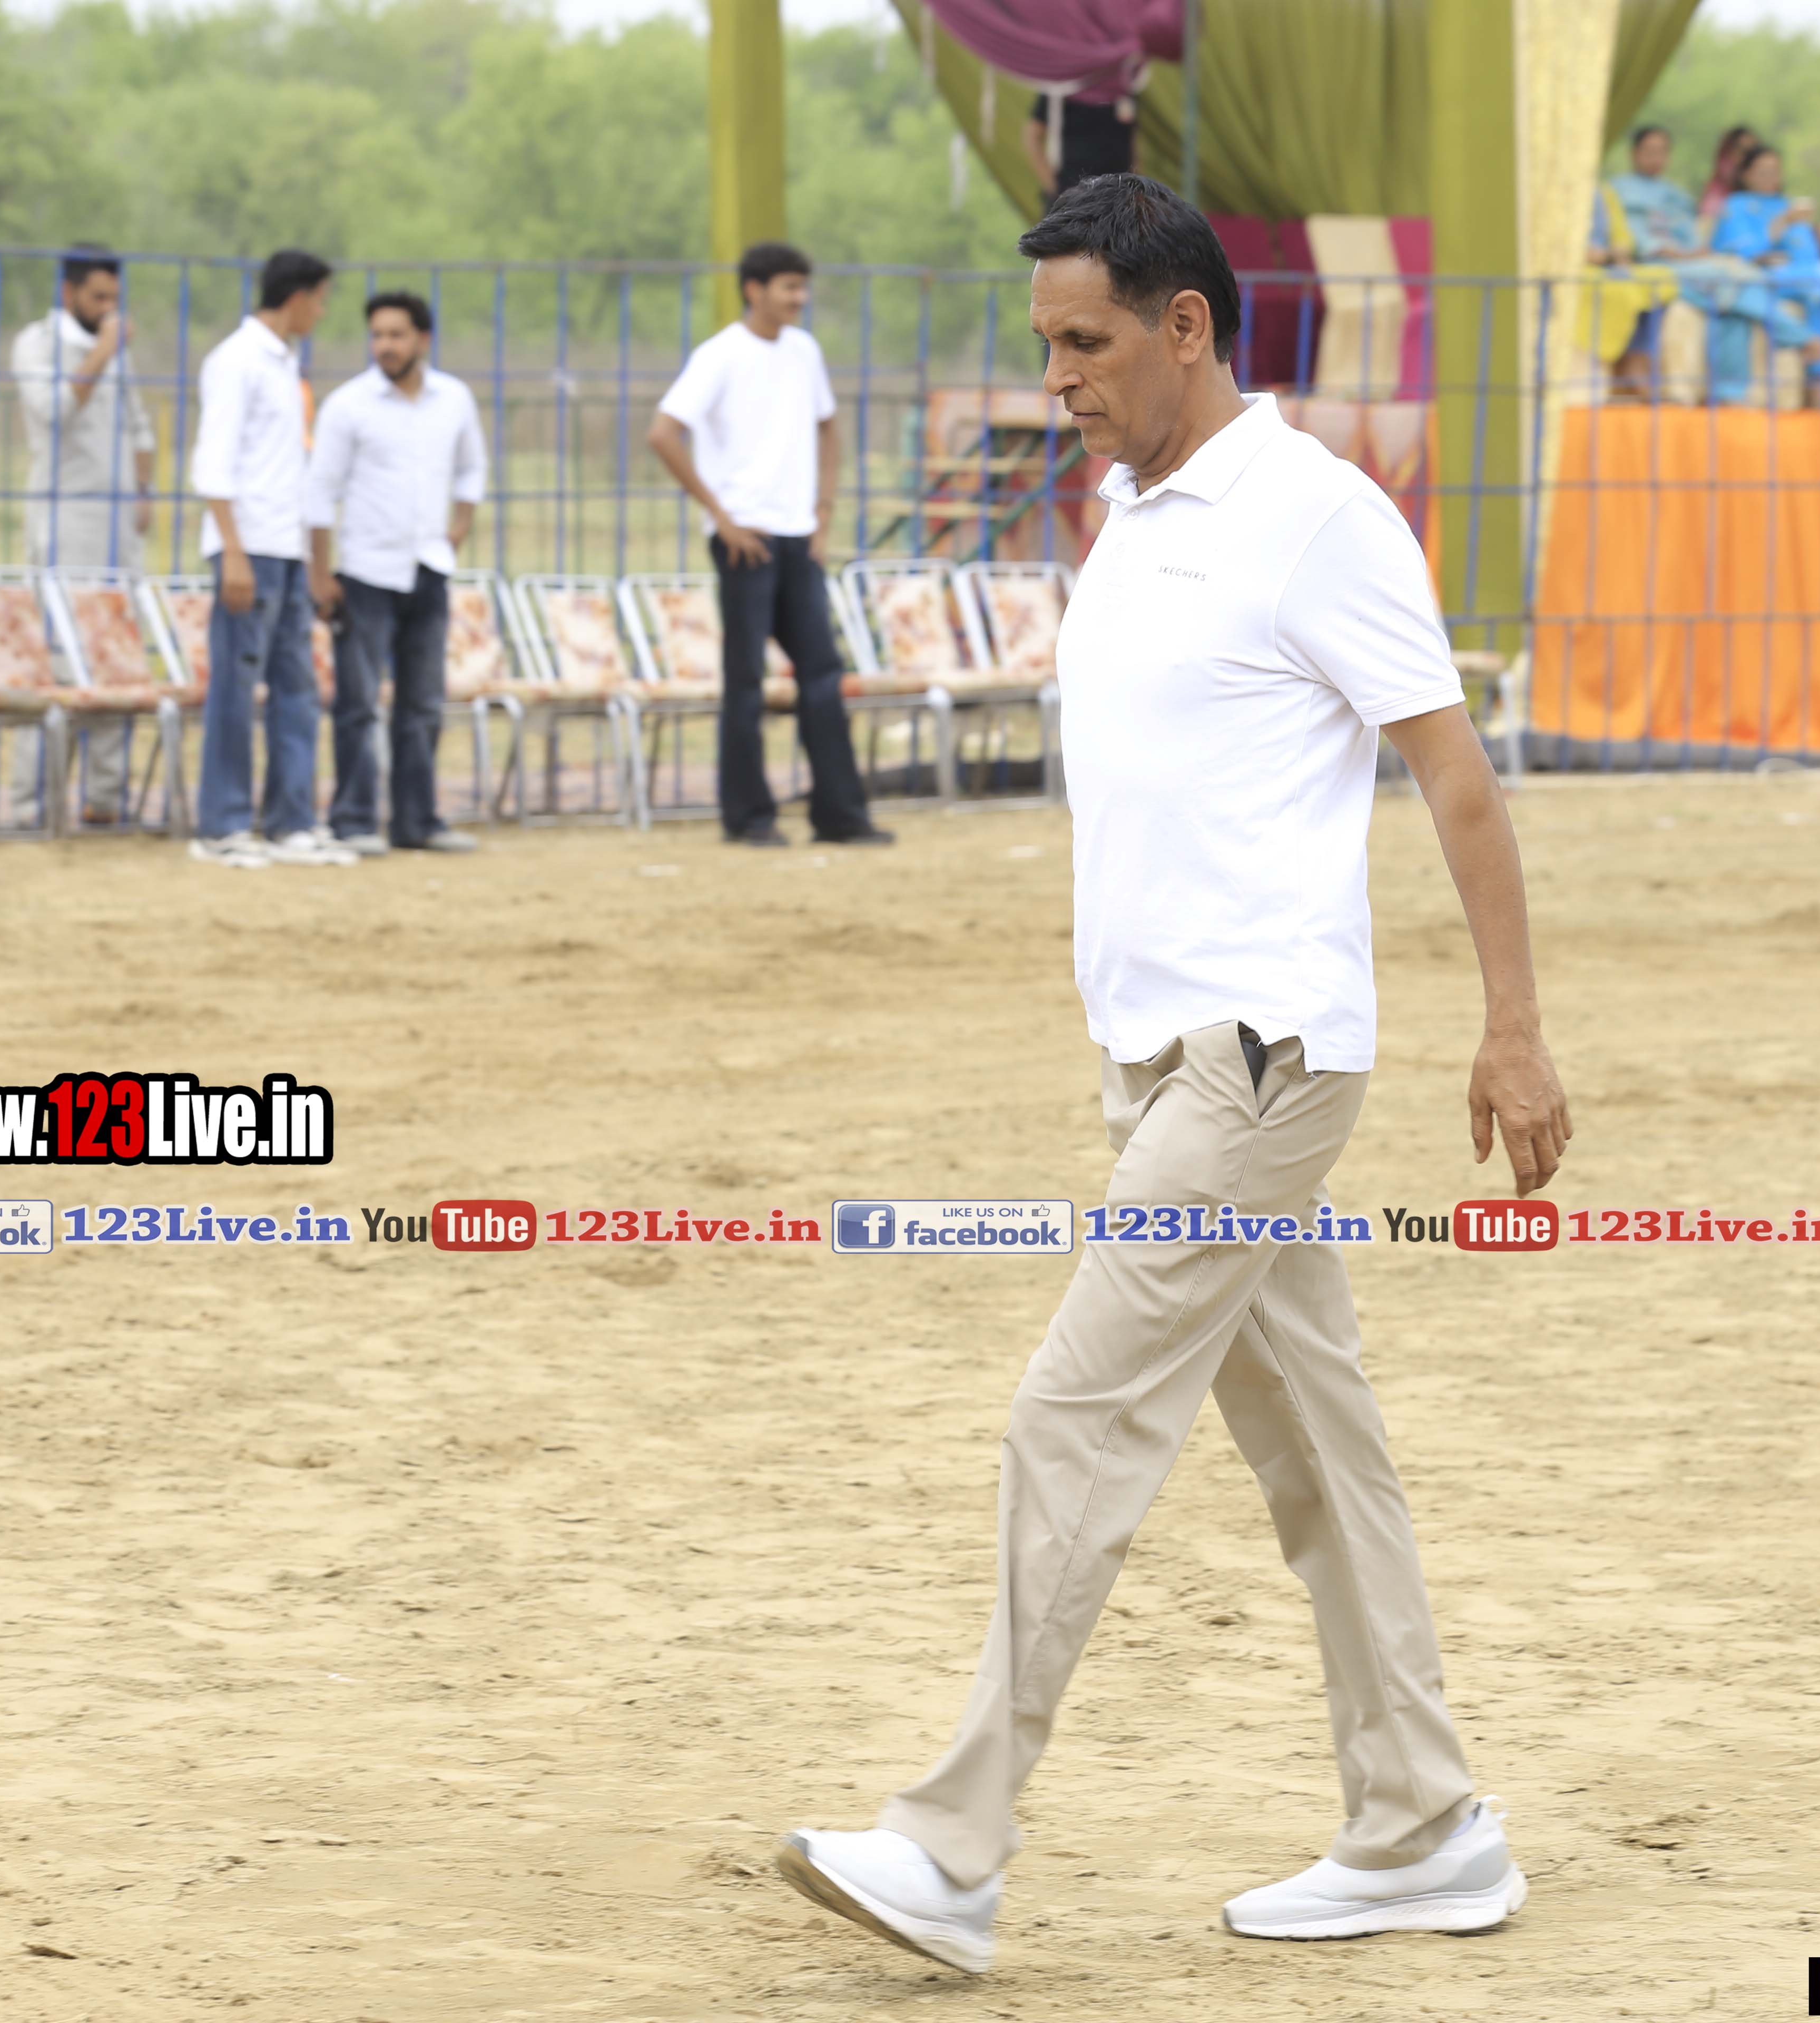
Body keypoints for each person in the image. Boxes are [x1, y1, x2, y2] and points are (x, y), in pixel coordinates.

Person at [773, 172, 1570, 1977]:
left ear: (1187, 327)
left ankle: (952, 1846)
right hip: (1157, 1064)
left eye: (1085, 342)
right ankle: (1425, 1825)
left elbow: (1455, 777)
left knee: (1075, 1416)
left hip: (1260, 1062)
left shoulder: (1315, 516)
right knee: (1321, 1457)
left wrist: (1513, 1026)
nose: (1055, 377)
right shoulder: (1130, 515)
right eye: (1045, 343)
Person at [646, 241, 887, 848]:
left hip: (798, 535)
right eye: (788, 287)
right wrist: (720, 517)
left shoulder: (804, 352)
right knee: (746, 679)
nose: (799, 298)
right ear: (754, 290)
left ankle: (840, 815)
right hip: (745, 538)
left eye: (803, 287)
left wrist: (823, 512)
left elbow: (829, 429)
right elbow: (664, 433)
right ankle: (749, 817)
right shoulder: (720, 355)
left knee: (822, 673)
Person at [305, 290, 488, 856]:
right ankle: (354, 819)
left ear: (423, 340)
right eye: (378, 335)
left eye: (397, 335)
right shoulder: (349, 406)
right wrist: (320, 574)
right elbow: (319, 493)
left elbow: (472, 468)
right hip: (366, 572)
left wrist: (459, 527)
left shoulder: (453, 399)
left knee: (424, 704)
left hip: (428, 568)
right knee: (359, 703)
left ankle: (417, 821)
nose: (385, 346)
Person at [187, 249, 348, 870]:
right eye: (320, 299)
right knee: (235, 686)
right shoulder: (236, 361)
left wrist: (310, 557)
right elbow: (215, 460)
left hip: (286, 547)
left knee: (296, 689)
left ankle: (291, 821)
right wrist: (232, 550)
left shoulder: (286, 365)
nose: (322, 312)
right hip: (247, 546)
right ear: (299, 297)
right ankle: (223, 824)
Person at [9, 243, 155, 824]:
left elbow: (140, 426)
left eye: (114, 299)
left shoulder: (117, 351)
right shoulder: (37, 344)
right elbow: (55, 411)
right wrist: (102, 352)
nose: (108, 308)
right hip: (65, 521)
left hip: (120, 527)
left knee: (116, 654)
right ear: (69, 292)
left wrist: (143, 491)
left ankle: (106, 800)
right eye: (98, 298)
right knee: (58, 660)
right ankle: (34, 804)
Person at [1707, 146, 1820, 407]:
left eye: (1775, 171)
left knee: (1818, 291)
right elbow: (1738, 254)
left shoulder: (1788, 206)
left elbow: (1809, 256)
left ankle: (1817, 383)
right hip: (1754, 280)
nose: (1770, 178)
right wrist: (1781, 224)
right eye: (1763, 172)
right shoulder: (1736, 205)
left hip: (1795, 278)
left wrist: (1811, 233)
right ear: (1746, 175)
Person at [1585, 125, 1694, 396]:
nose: (1655, 158)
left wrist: (1619, 250)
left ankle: (1640, 362)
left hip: (1636, 263)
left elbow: (1622, 234)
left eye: (1662, 152)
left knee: (1658, 282)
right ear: (1634, 153)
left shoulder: (1675, 195)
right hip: (1612, 263)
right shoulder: (1617, 188)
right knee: (1637, 285)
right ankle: (1631, 365)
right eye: (1649, 151)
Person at [1024, 91, 1134, 204]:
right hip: (1070, 192)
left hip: (1117, 193)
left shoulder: (1123, 89)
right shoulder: (1058, 90)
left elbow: (1130, 140)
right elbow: (1033, 136)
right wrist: (1053, 186)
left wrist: (1134, 184)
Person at [1696, 124, 1761, 228]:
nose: (1747, 159)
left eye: (1753, 153)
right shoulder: (1716, 201)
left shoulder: (1766, 199)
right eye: (1743, 151)